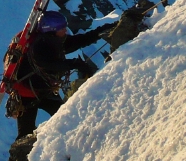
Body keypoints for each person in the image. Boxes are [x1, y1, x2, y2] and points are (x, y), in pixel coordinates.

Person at [7, 10, 112, 138]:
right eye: (62, 28)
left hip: (42, 90)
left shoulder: (55, 40)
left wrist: (103, 30)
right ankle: (20, 157)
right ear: (51, 30)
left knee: (63, 118)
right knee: (26, 133)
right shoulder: (38, 47)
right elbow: (50, 64)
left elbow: (81, 40)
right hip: (27, 94)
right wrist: (75, 63)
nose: (65, 31)